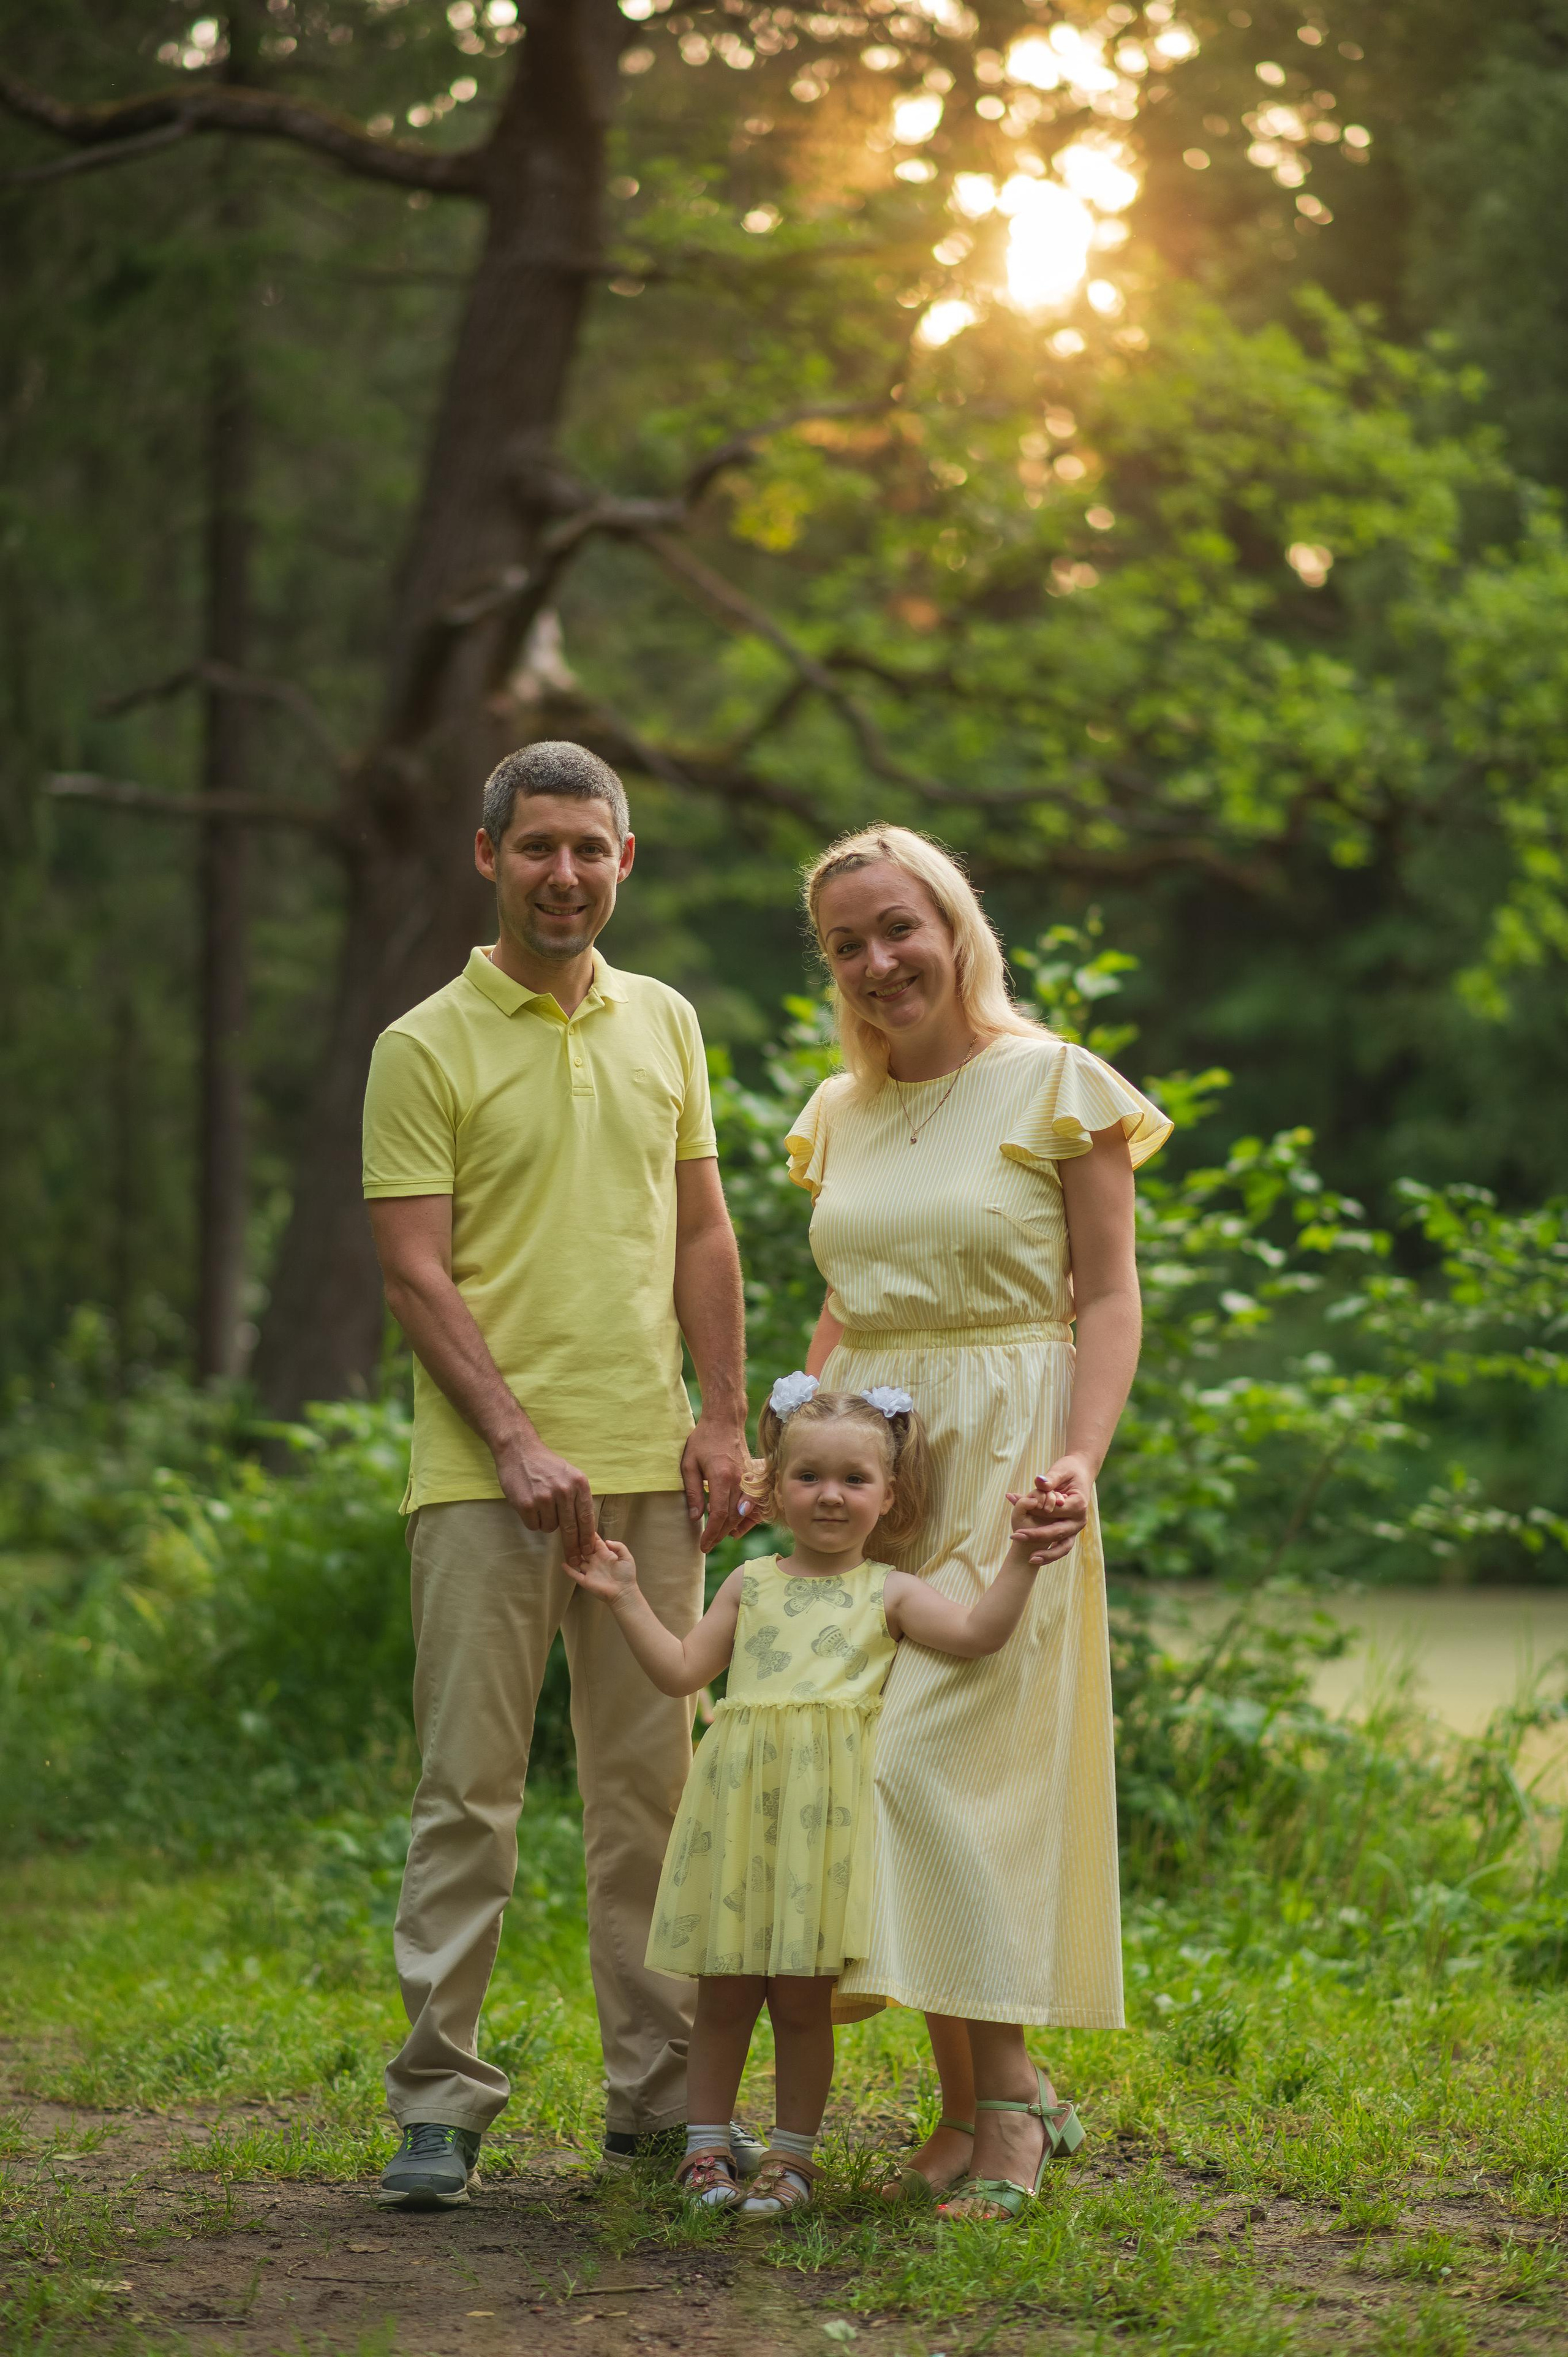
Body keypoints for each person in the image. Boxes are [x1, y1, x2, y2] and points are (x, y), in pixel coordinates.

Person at [361, 741, 752, 2209]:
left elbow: (702, 1235)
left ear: (626, 860)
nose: (565, 873)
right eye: (537, 847)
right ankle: (437, 2105)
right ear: (487, 857)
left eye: (591, 847)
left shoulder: (666, 1022)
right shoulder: (422, 1045)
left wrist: (720, 1415)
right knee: (468, 1790)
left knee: (650, 1794)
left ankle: (654, 2104)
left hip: (653, 1475)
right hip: (483, 1481)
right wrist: (517, 1439)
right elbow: (412, 1272)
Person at [785, 823, 1172, 2225]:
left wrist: (1078, 1458)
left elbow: (1110, 1294)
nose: (879, 960)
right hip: (870, 1463)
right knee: (873, 1769)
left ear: (953, 925)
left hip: (1012, 1456)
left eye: (899, 927)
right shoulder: (841, 1109)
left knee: (938, 1767)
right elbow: (842, 1302)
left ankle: (1008, 2107)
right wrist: (791, 1451)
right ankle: (969, 2104)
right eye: (847, 943)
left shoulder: (1053, 1082)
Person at [565, 1378, 1069, 2221]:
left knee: (802, 2002)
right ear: (773, 1487)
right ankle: (706, 2152)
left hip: (823, 1827)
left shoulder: (891, 1593)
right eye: (808, 1477)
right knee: (724, 1992)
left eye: (854, 1479)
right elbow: (682, 1673)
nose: (829, 1495)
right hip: (739, 1810)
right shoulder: (750, 1583)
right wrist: (625, 1599)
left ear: (889, 1495)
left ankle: (791, 2162)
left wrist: (1020, 1556)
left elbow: (980, 1638)